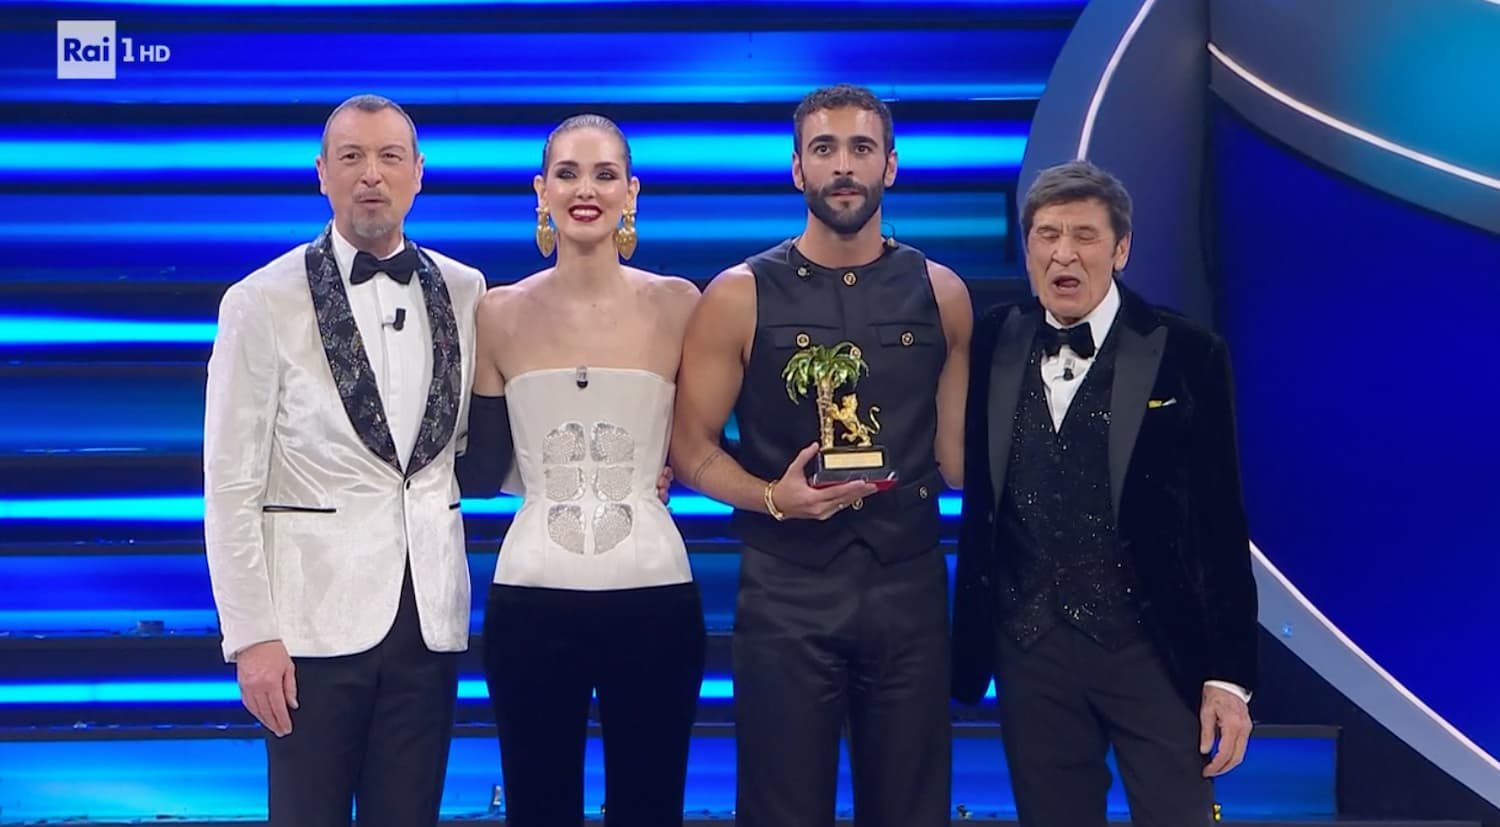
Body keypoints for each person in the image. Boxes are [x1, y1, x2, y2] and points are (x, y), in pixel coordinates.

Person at [670, 84, 972, 827]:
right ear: (796, 167)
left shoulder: (943, 294)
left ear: (890, 166)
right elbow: (689, 447)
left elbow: (961, 463)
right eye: (825, 149)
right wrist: (774, 497)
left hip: (910, 586)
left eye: (861, 148)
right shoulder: (738, 294)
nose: (843, 166)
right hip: (785, 593)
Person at [202, 94, 487, 826]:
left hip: (428, 620)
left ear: (418, 172)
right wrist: (251, 637)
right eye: (352, 157)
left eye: (390, 157)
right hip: (307, 629)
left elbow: (464, 448)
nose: (371, 175)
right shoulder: (260, 300)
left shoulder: (466, 291)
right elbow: (230, 484)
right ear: (321, 173)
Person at [950, 159, 1258, 826]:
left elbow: (1221, 522)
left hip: (1152, 645)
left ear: (1121, 249)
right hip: (1028, 648)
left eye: (1085, 235)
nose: (1063, 253)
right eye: (1047, 234)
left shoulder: (1187, 352)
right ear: (1027, 248)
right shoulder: (994, 338)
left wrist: (1229, 677)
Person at [454, 114, 706, 827]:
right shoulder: (497, 311)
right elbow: (486, 467)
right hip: (531, 599)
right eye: (567, 174)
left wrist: (668, 467)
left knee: (651, 806)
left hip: (655, 597)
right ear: (541, 191)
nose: (585, 190)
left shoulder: (681, 305)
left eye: (603, 174)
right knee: (537, 807)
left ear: (632, 192)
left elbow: (702, 442)